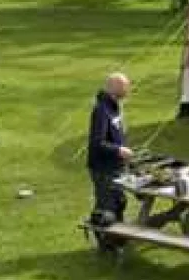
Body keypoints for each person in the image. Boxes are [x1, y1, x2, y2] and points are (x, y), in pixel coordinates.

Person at [87, 73, 134, 251]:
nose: (128, 90)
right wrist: (119, 150)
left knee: (119, 201)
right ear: (114, 88)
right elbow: (97, 142)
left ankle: (118, 239)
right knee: (106, 206)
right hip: (103, 167)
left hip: (115, 166)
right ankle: (106, 244)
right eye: (125, 87)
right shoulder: (101, 110)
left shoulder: (114, 107)